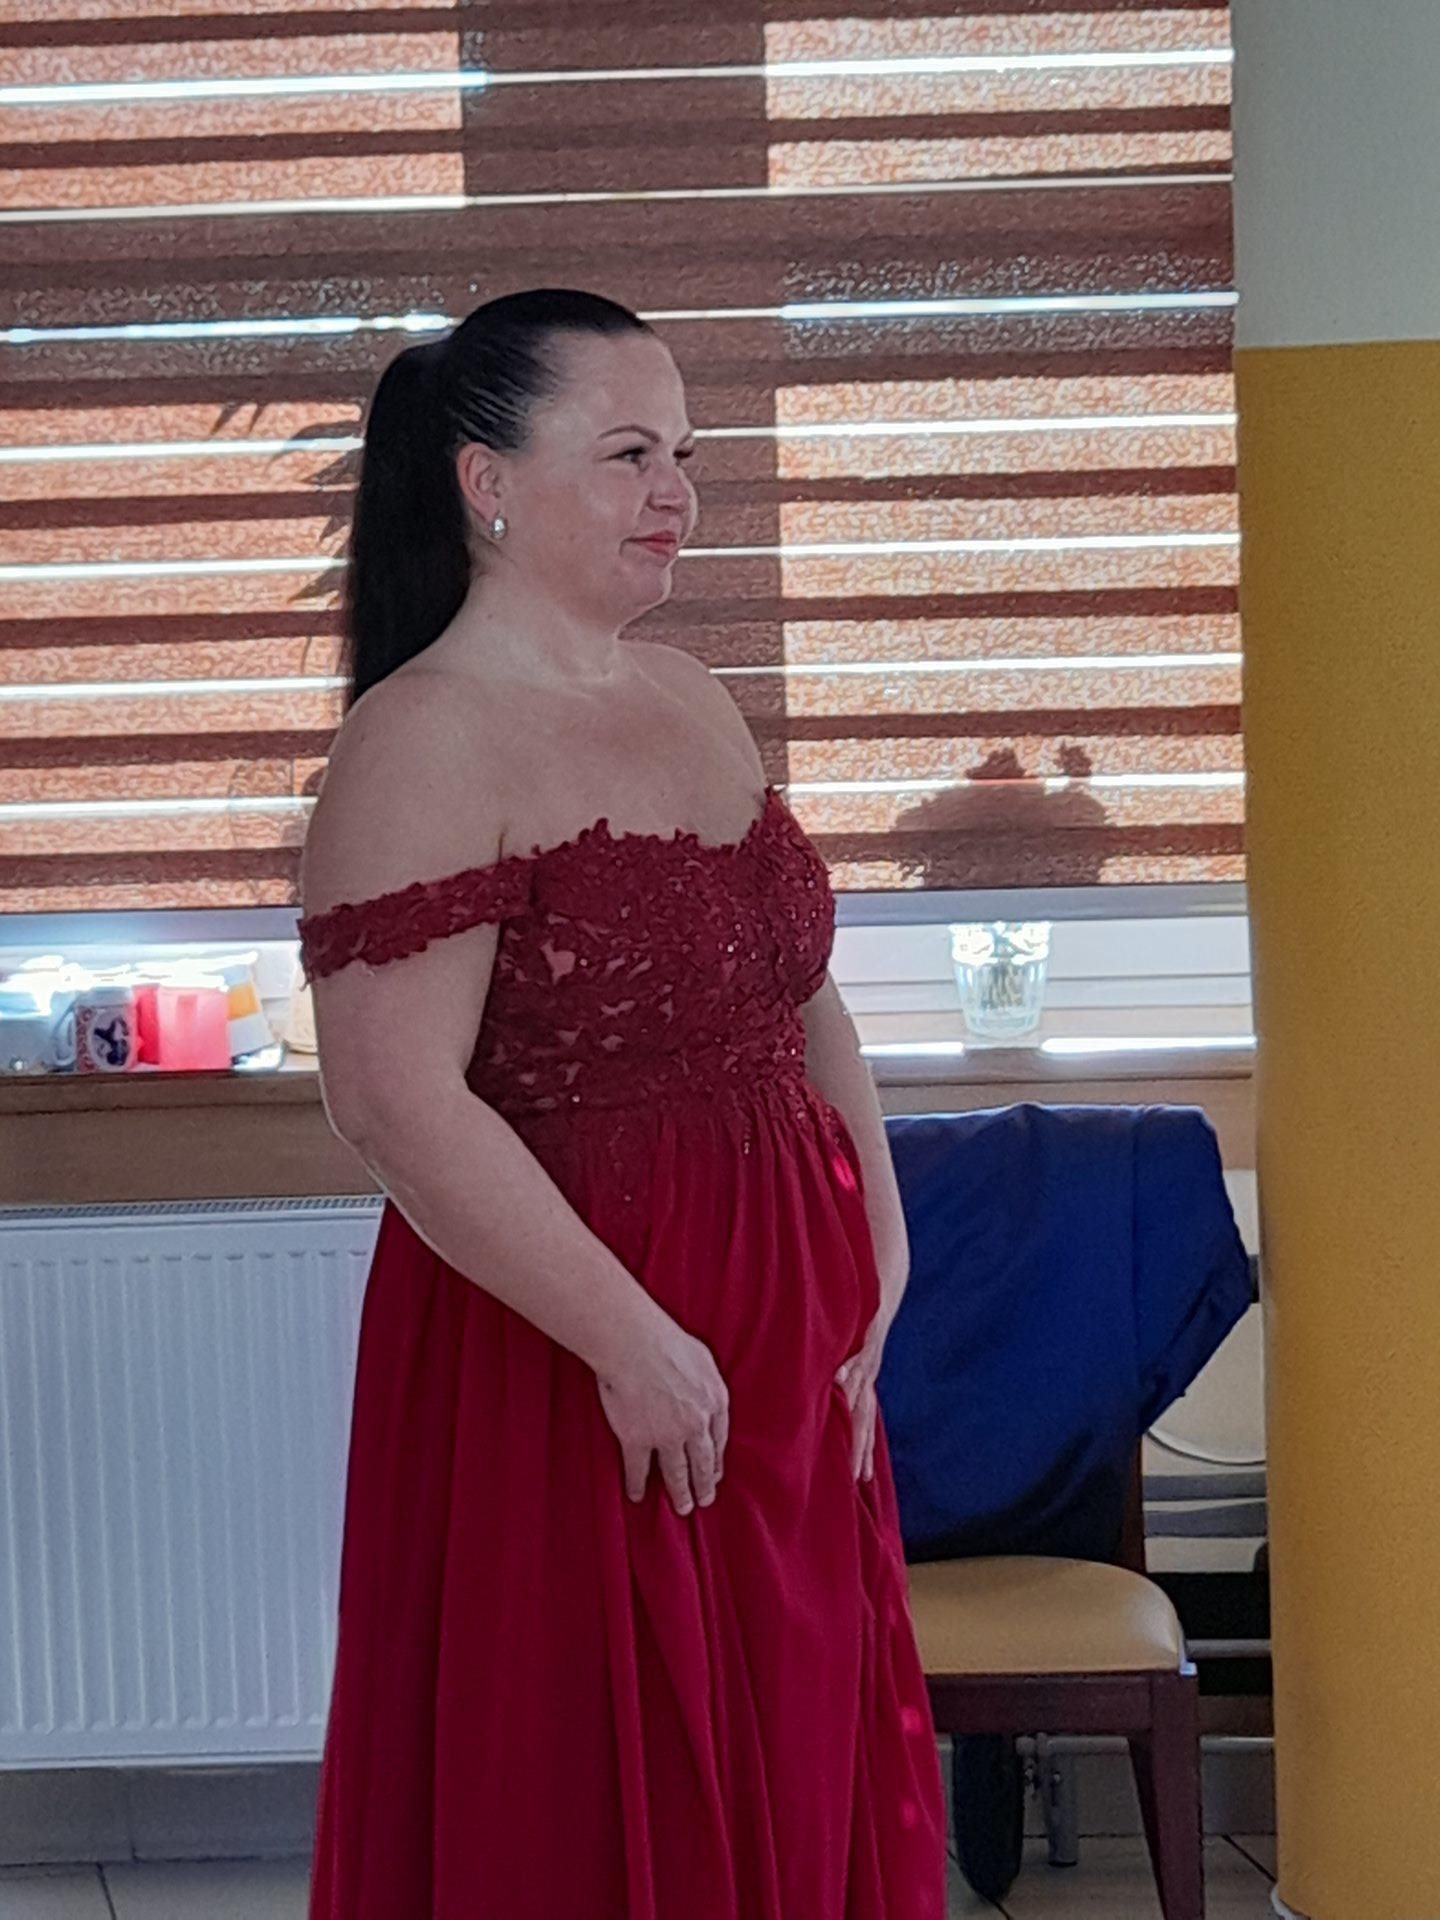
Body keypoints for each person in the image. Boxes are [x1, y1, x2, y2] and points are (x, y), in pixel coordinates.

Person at [296, 287, 947, 1919]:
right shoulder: (419, 739)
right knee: (596, 1786)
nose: (677, 495)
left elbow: (802, 998)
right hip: (577, 1356)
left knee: (791, 1762)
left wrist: (882, 1250)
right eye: (629, 455)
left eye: (686, 456)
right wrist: (632, 1342)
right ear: (487, 484)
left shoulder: (692, 695)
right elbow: (392, 1101)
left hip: (788, 1360)